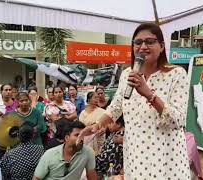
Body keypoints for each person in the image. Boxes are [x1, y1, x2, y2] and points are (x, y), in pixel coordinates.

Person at [78, 23, 190, 179]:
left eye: (150, 42)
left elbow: (178, 120)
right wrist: (97, 125)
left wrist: (149, 94)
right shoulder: (127, 75)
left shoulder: (177, 74)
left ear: (162, 46)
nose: (143, 47)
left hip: (166, 158)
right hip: (136, 156)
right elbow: (116, 107)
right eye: (138, 42)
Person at [33, 121, 97, 180]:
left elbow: (91, 175)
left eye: (83, 135)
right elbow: (36, 178)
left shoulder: (88, 152)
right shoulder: (50, 154)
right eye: (77, 135)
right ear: (67, 138)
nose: (81, 138)